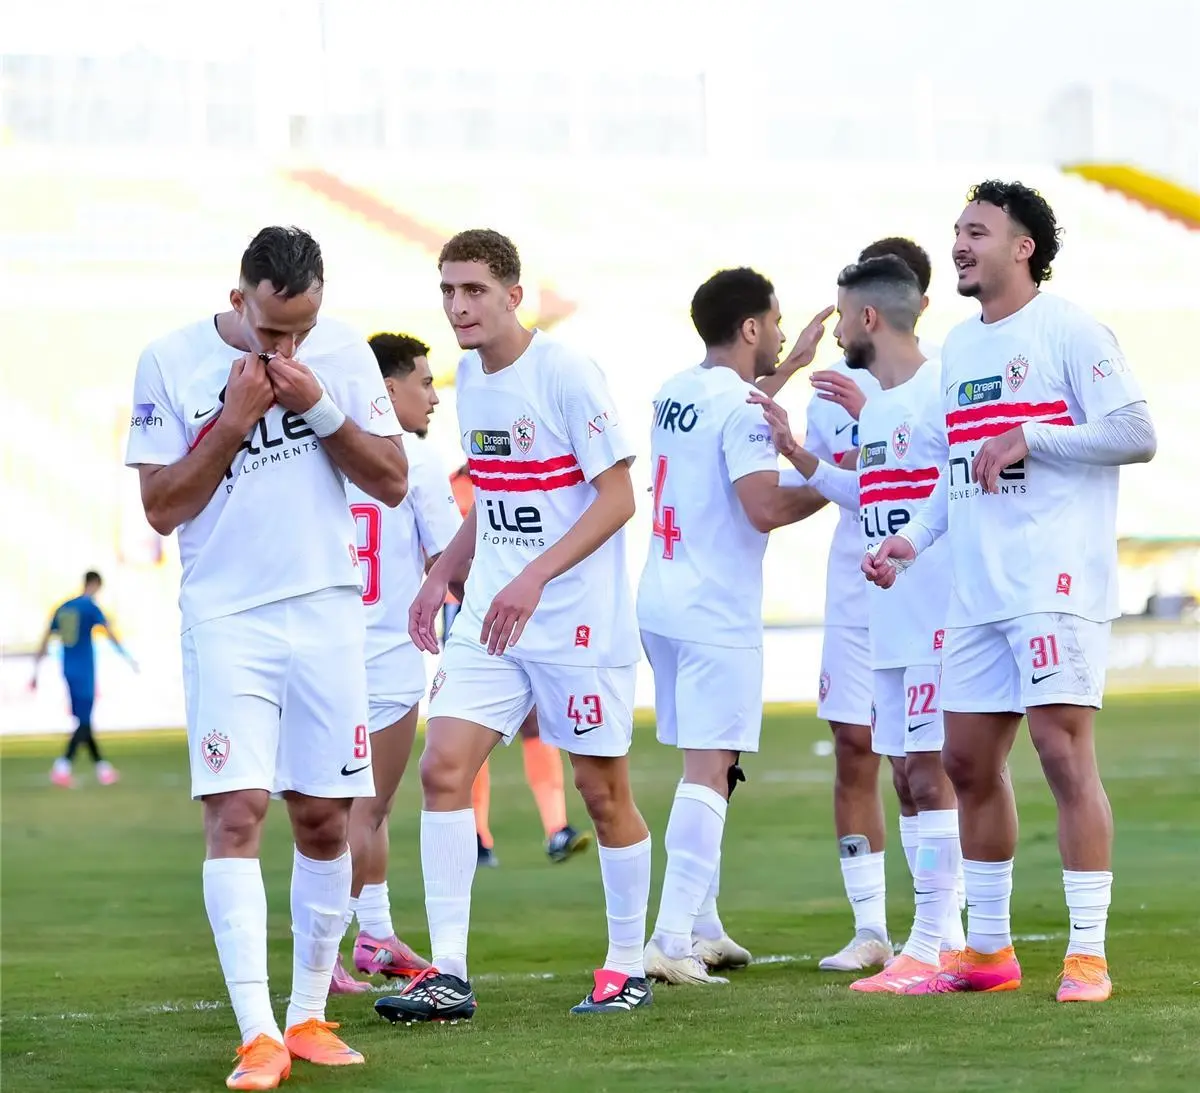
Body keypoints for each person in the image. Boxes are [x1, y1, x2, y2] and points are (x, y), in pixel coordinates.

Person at [124, 225, 408, 1089]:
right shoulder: (168, 360)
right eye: (272, 328)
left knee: (325, 817)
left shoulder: (346, 353)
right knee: (239, 808)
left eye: (301, 328)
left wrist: (320, 405)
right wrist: (235, 417)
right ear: (238, 296)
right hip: (229, 617)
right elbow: (162, 506)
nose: (286, 346)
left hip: (327, 611)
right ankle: (258, 1033)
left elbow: (393, 477)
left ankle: (311, 1015)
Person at [865, 180, 1157, 1001]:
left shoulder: (1069, 329)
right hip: (977, 588)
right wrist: (911, 542)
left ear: (1023, 246)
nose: (959, 244)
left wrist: (1036, 434)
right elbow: (957, 476)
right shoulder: (959, 347)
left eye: (977, 231)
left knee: (1062, 754)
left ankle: (1087, 953)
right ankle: (987, 951)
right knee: (964, 759)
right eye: (956, 230)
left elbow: (1138, 431)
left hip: (1053, 582)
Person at [376, 228, 652, 1023]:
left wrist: (535, 574)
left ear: (512, 295)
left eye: (473, 291)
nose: (459, 306)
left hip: (578, 624)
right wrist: (445, 570)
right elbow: (496, 501)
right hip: (495, 620)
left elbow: (617, 498)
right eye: (448, 292)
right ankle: (450, 973)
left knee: (601, 794)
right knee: (443, 768)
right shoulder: (469, 378)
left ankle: (627, 963)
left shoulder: (566, 373)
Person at [751, 255, 966, 993]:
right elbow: (867, 492)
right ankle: (929, 937)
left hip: (933, 612)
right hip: (888, 609)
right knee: (906, 775)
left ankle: (939, 940)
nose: (837, 326)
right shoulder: (883, 406)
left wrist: (910, 551)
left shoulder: (937, 391)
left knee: (931, 774)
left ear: (868, 318)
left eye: (843, 314)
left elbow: (949, 491)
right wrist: (795, 450)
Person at [636, 268, 831, 986]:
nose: (783, 334)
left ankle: (701, 921)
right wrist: (842, 480)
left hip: (661, 597)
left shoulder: (675, 390)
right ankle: (667, 938)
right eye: (776, 323)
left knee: (709, 765)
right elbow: (764, 507)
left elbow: (734, 415)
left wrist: (794, 367)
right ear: (751, 328)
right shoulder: (743, 409)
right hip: (716, 607)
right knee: (710, 769)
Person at [332, 333, 459, 994]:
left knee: (346, 808)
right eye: (424, 382)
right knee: (367, 810)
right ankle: (326, 948)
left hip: (327, 651)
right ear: (386, 390)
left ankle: (375, 934)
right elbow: (448, 557)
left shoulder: (325, 445)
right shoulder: (418, 459)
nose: (434, 396)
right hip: (384, 655)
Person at [31, 570, 137, 787]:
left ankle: (103, 769)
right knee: (85, 722)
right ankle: (62, 767)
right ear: (95, 584)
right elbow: (109, 632)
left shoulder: (63, 607)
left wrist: (36, 670)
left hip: (68, 669)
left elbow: (45, 637)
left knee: (83, 721)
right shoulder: (89, 607)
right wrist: (127, 656)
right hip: (84, 670)